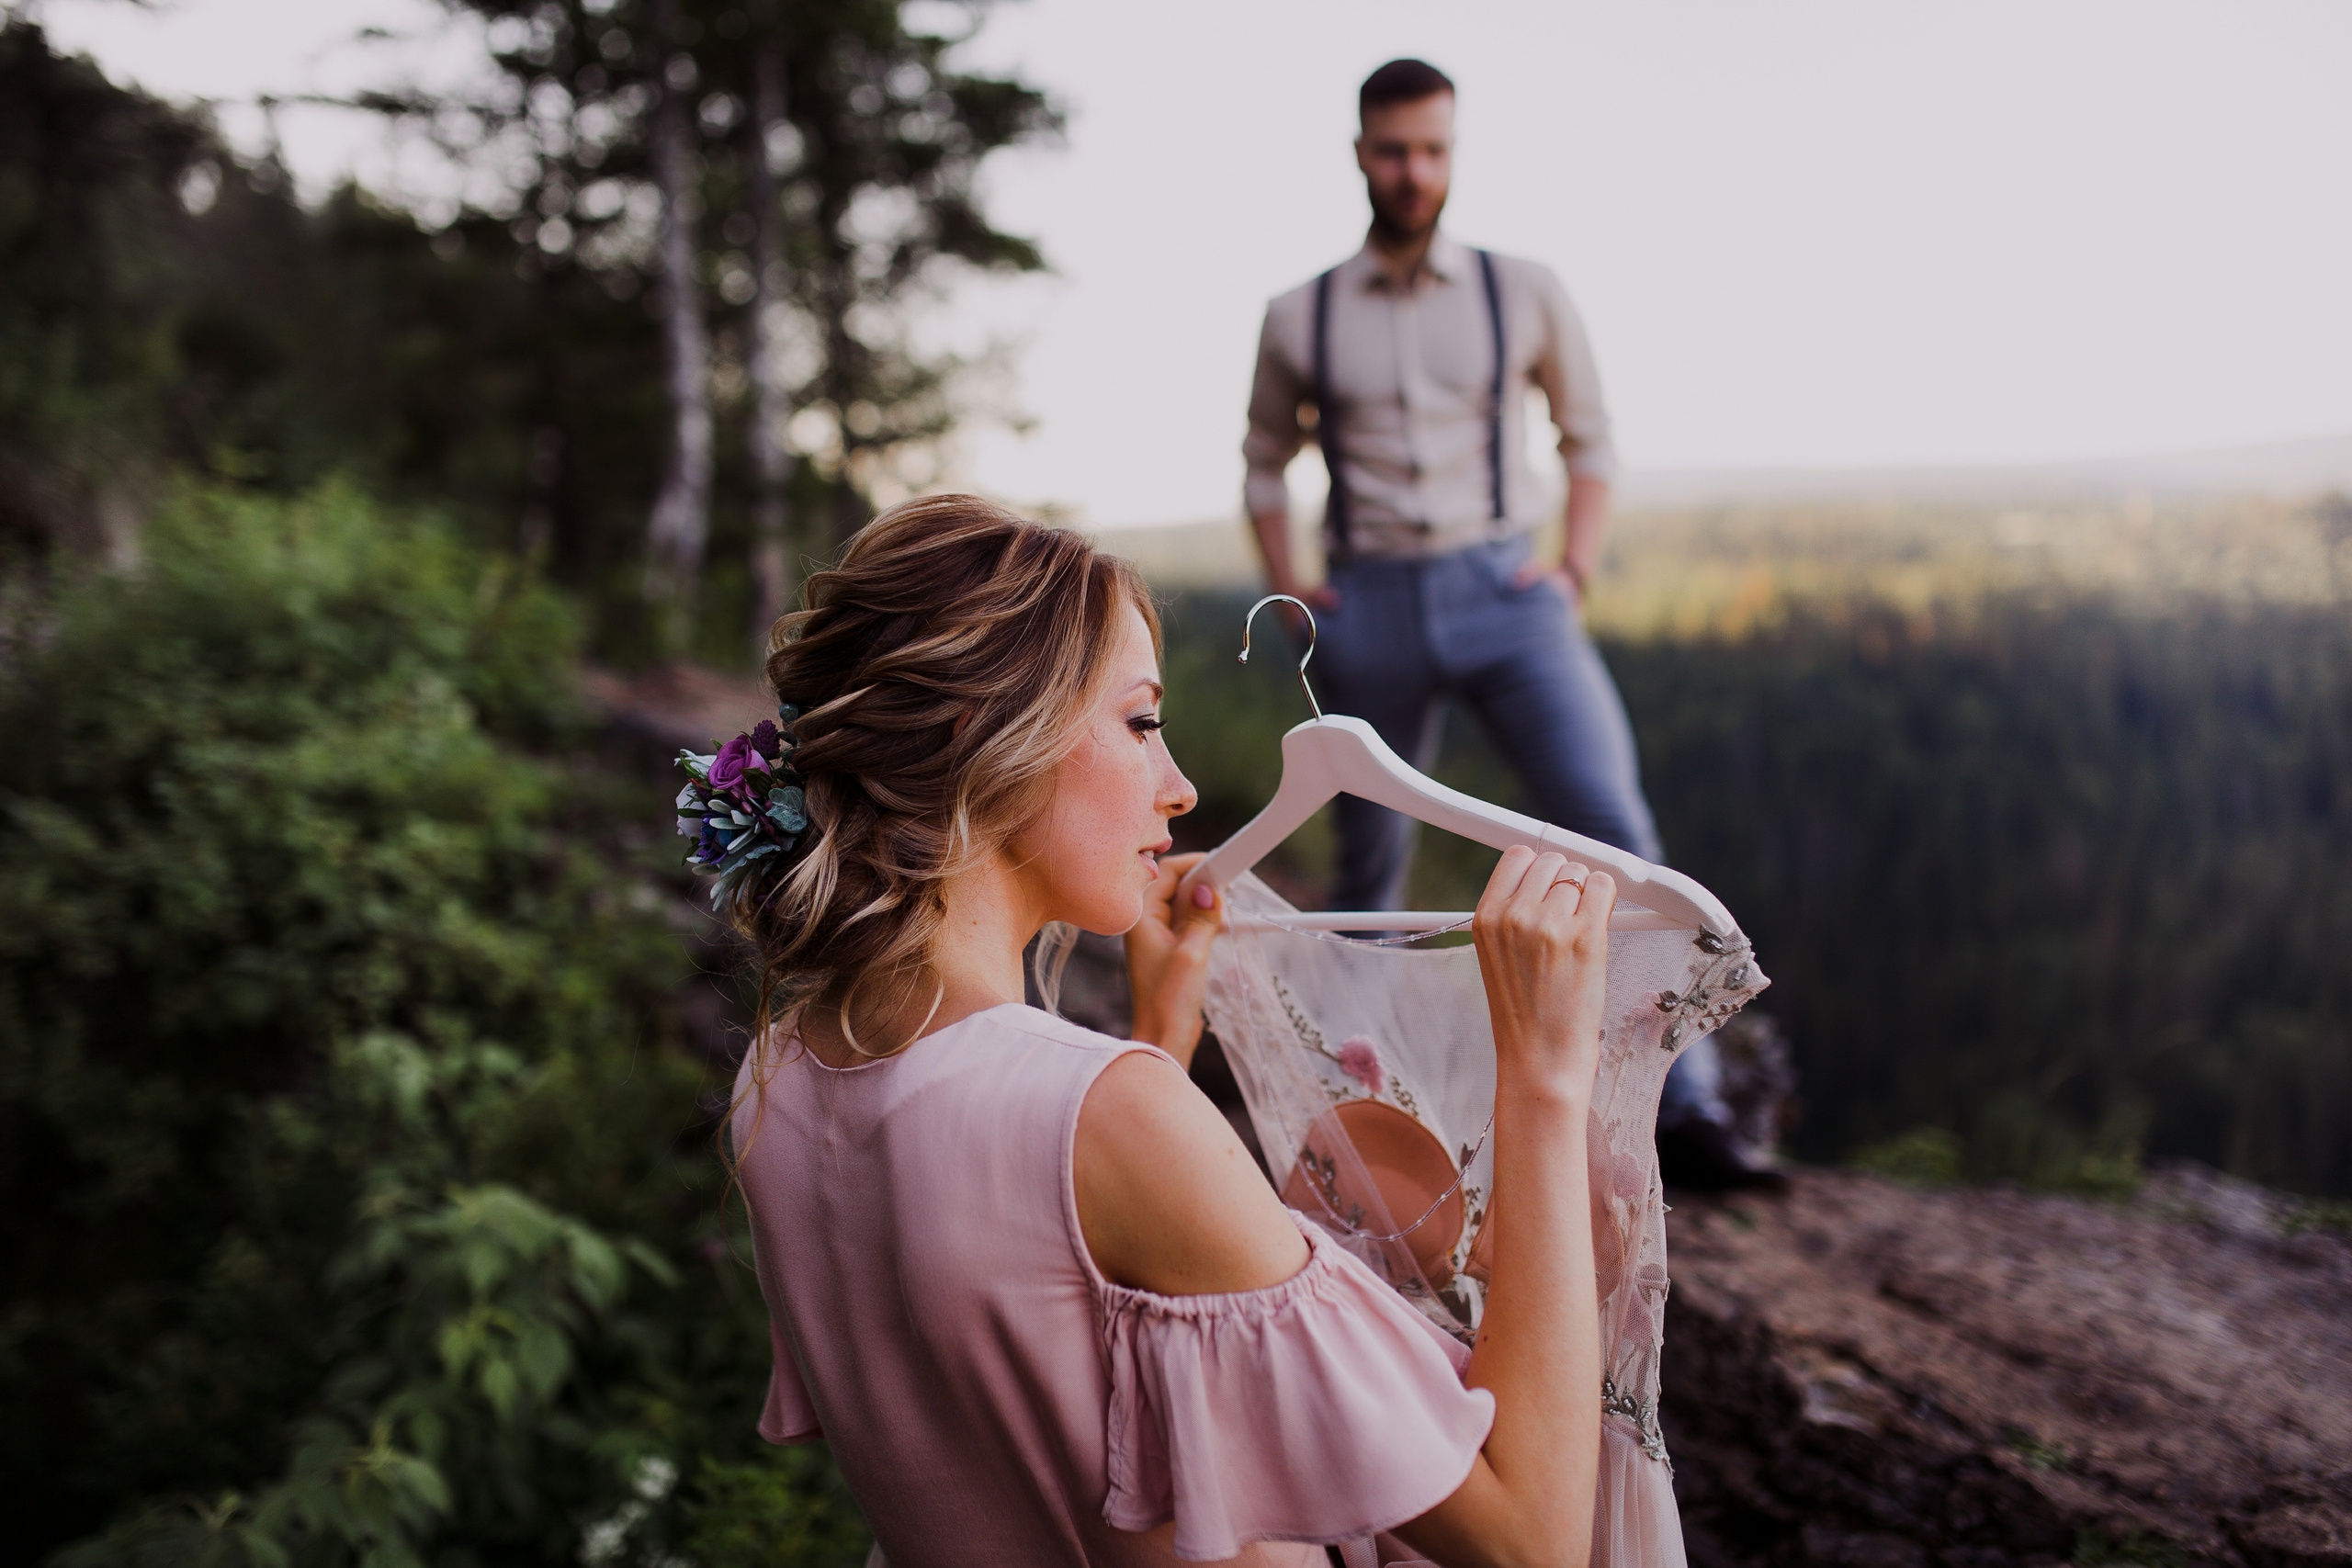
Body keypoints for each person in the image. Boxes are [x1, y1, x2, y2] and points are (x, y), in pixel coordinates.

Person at [710, 495, 1614, 1567]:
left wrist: (1156, 1033)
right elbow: (1528, 1542)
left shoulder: (781, 1076)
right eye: (1140, 723)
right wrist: (1545, 1080)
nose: (1178, 788)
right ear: (978, 733)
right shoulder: (1108, 1117)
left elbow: (1036, 1353)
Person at [1239, 58, 1774, 1191]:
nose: (1413, 171)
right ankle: (1365, 1113)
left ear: (1452, 150)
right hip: (1368, 596)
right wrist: (1292, 588)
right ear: (1359, 152)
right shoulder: (1300, 313)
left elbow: (1590, 438)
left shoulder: (1519, 288)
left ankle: (1683, 1108)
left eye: (1432, 149)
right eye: (1392, 150)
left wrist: (1571, 567)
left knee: (1609, 824)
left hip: (1504, 593)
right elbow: (1261, 465)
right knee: (1367, 863)